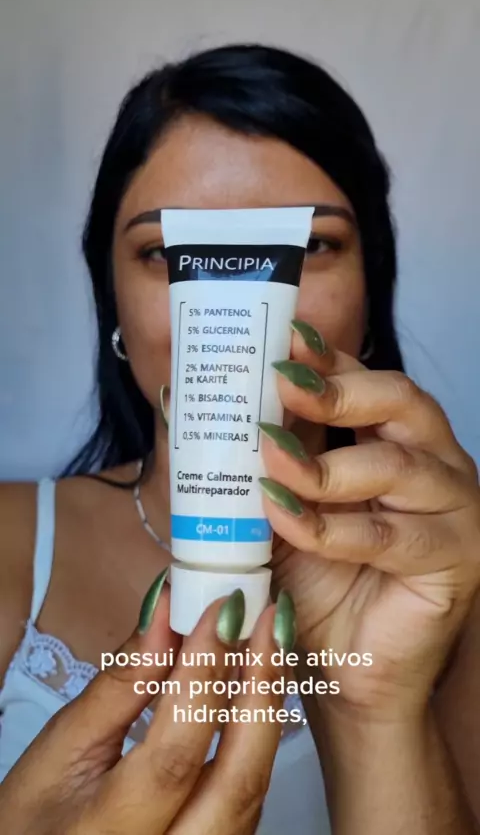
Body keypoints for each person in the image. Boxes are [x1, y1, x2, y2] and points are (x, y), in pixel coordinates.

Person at [0, 42, 479, 834]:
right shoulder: (12, 539)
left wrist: (376, 715)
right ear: (112, 303)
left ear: (372, 290)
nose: (240, 303)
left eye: (311, 245)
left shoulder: (449, 579)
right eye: (166, 253)